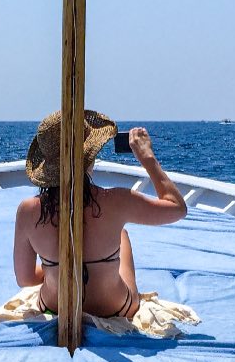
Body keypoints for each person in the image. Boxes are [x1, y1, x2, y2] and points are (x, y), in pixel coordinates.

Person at [13, 110, 187, 319]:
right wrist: (147, 158)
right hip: (115, 308)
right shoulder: (117, 201)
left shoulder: (27, 211)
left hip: (55, 307)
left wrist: (57, 263)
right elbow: (177, 208)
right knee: (121, 234)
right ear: (90, 156)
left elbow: (26, 279)